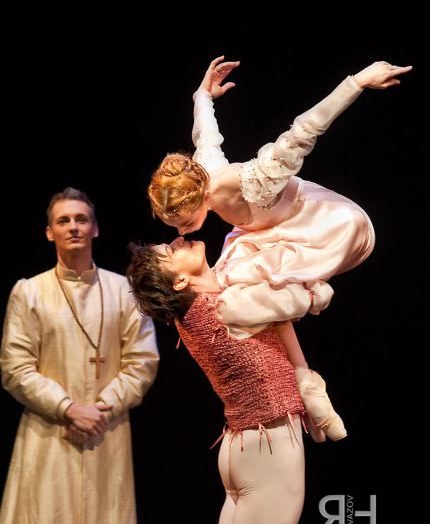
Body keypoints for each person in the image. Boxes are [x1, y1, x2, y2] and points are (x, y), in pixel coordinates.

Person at [127, 237, 332, 524]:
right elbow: (284, 292)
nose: (177, 240)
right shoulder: (224, 305)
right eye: (171, 252)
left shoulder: (198, 310)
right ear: (179, 282)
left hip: (244, 447)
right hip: (269, 446)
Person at [148, 57, 412, 336]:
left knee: (235, 272)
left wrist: (357, 82)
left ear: (201, 198)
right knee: (232, 265)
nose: (180, 232)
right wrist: (202, 95)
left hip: (328, 226)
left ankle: (305, 297)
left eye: (184, 222)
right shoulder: (204, 172)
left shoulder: (256, 178)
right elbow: (205, 133)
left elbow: (304, 131)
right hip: (274, 232)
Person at [0, 187, 159, 524]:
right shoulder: (30, 292)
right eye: (64, 220)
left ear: (96, 228)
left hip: (105, 433)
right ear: (49, 233)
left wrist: (99, 409)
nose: (73, 226)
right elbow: (15, 367)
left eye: (81, 219)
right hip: (49, 432)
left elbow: (142, 360)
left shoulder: (123, 290)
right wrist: (69, 408)